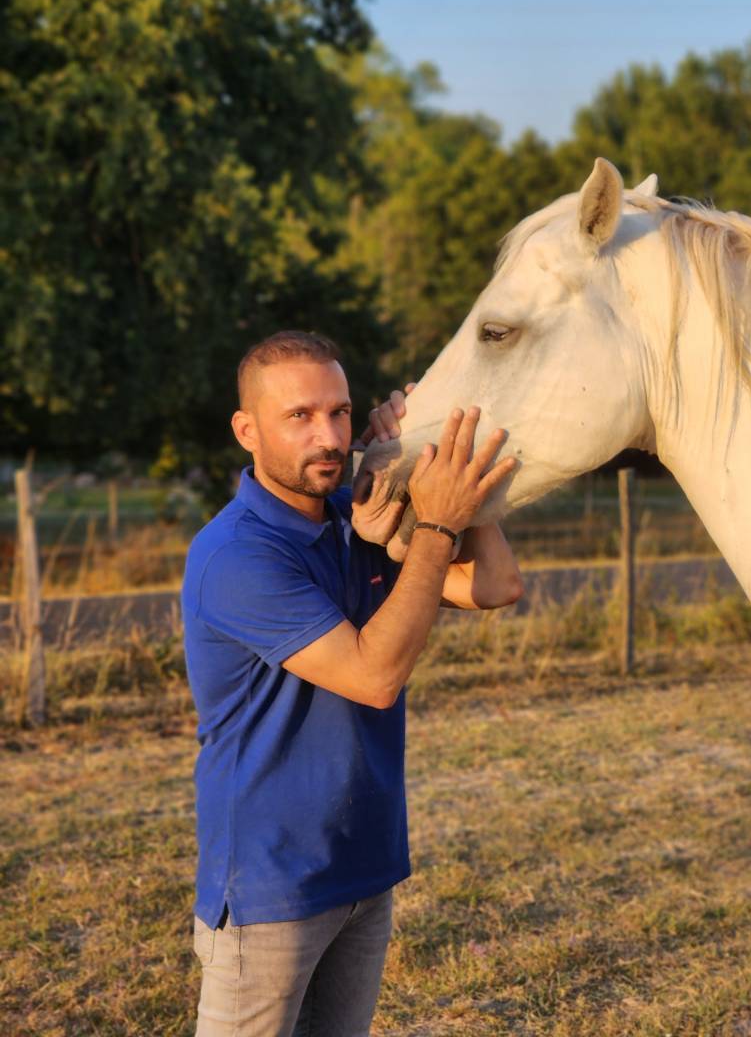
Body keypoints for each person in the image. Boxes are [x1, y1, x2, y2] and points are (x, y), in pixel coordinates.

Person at [181, 330, 523, 1037]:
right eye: (300, 416)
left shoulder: (355, 521)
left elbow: (496, 584)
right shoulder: (236, 554)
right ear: (247, 430)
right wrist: (434, 522)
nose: (329, 436)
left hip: (365, 870)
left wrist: (428, 455)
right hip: (272, 886)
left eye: (340, 413)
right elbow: (374, 676)